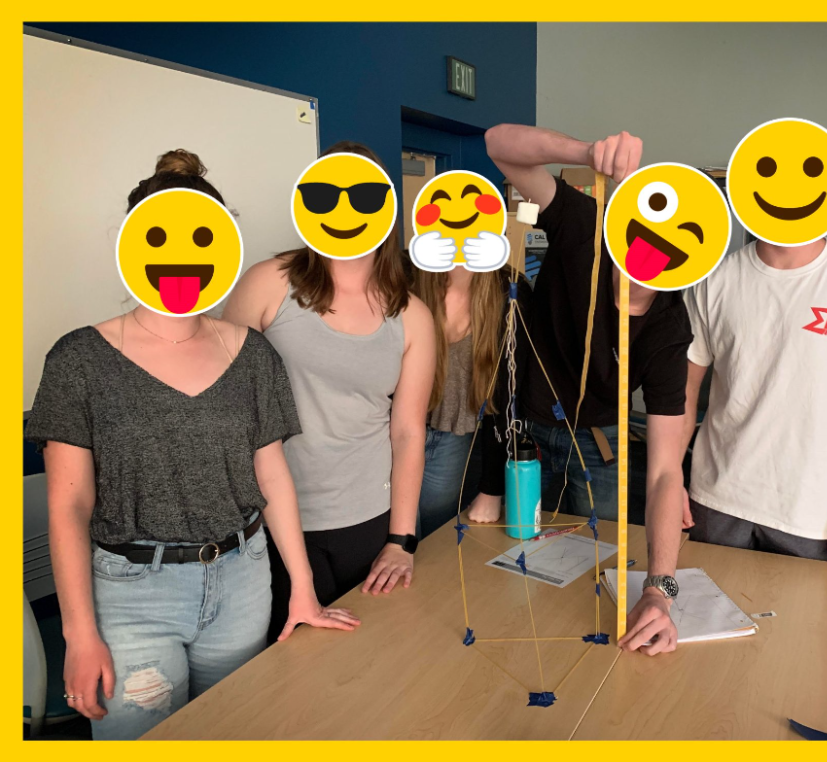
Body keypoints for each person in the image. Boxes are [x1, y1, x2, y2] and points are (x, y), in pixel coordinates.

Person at [27, 150, 356, 740]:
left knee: (236, 733)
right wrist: (78, 634)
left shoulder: (252, 352)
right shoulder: (78, 359)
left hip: (244, 579)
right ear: (131, 243)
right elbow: (68, 507)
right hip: (133, 593)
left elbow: (272, 476)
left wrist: (301, 588)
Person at [486, 125, 690, 655]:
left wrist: (660, 590)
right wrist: (585, 153)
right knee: (513, 569)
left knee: (596, 577)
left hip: (601, 449)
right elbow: (497, 146)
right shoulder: (586, 224)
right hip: (528, 436)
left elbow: (667, 469)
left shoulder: (670, 327)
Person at [223, 141, 434, 643]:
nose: (345, 211)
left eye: (363, 197)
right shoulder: (268, 285)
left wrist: (401, 539)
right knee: (284, 668)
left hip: (366, 520)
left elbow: (407, 432)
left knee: (364, 664)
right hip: (269, 521)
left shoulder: (411, 317)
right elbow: (222, 400)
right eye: (326, 196)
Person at [681, 236, 827, 563]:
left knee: (805, 614)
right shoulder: (714, 279)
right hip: (716, 498)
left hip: (809, 513)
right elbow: (683, 390)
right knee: (701, 609)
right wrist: (670, 480)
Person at [411, 263, 531, 536]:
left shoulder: (509, 289)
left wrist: (493, 488)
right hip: (388, 435)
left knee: (433, 540)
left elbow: (509, 393)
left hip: (450, 439)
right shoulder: (408, 273)